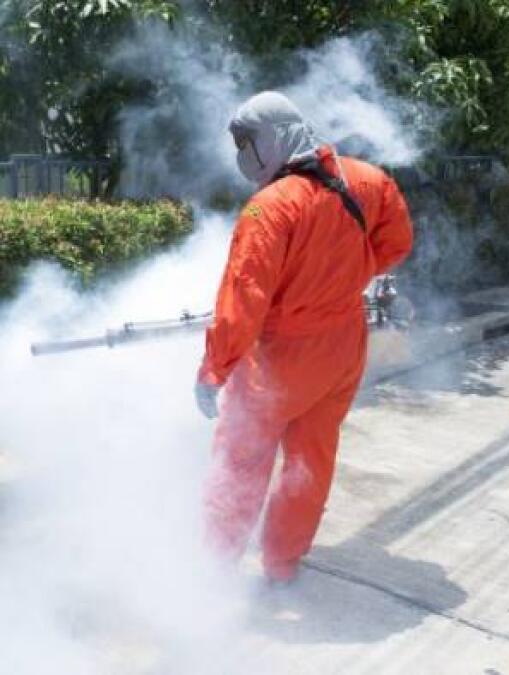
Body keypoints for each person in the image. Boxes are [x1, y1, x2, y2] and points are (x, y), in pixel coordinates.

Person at [195, 91, 413, 583]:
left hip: (278, 362)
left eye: (246, 142)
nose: (241, 154)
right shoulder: (369, 180)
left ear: (271, 138)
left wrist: (214, 369)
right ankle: (283, 567)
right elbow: (397, 242)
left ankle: (213, 571)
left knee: (241, 461)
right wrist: (341, 281)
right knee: (309, 461)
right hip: (341, 349)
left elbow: (243, 299)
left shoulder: (269, 209)